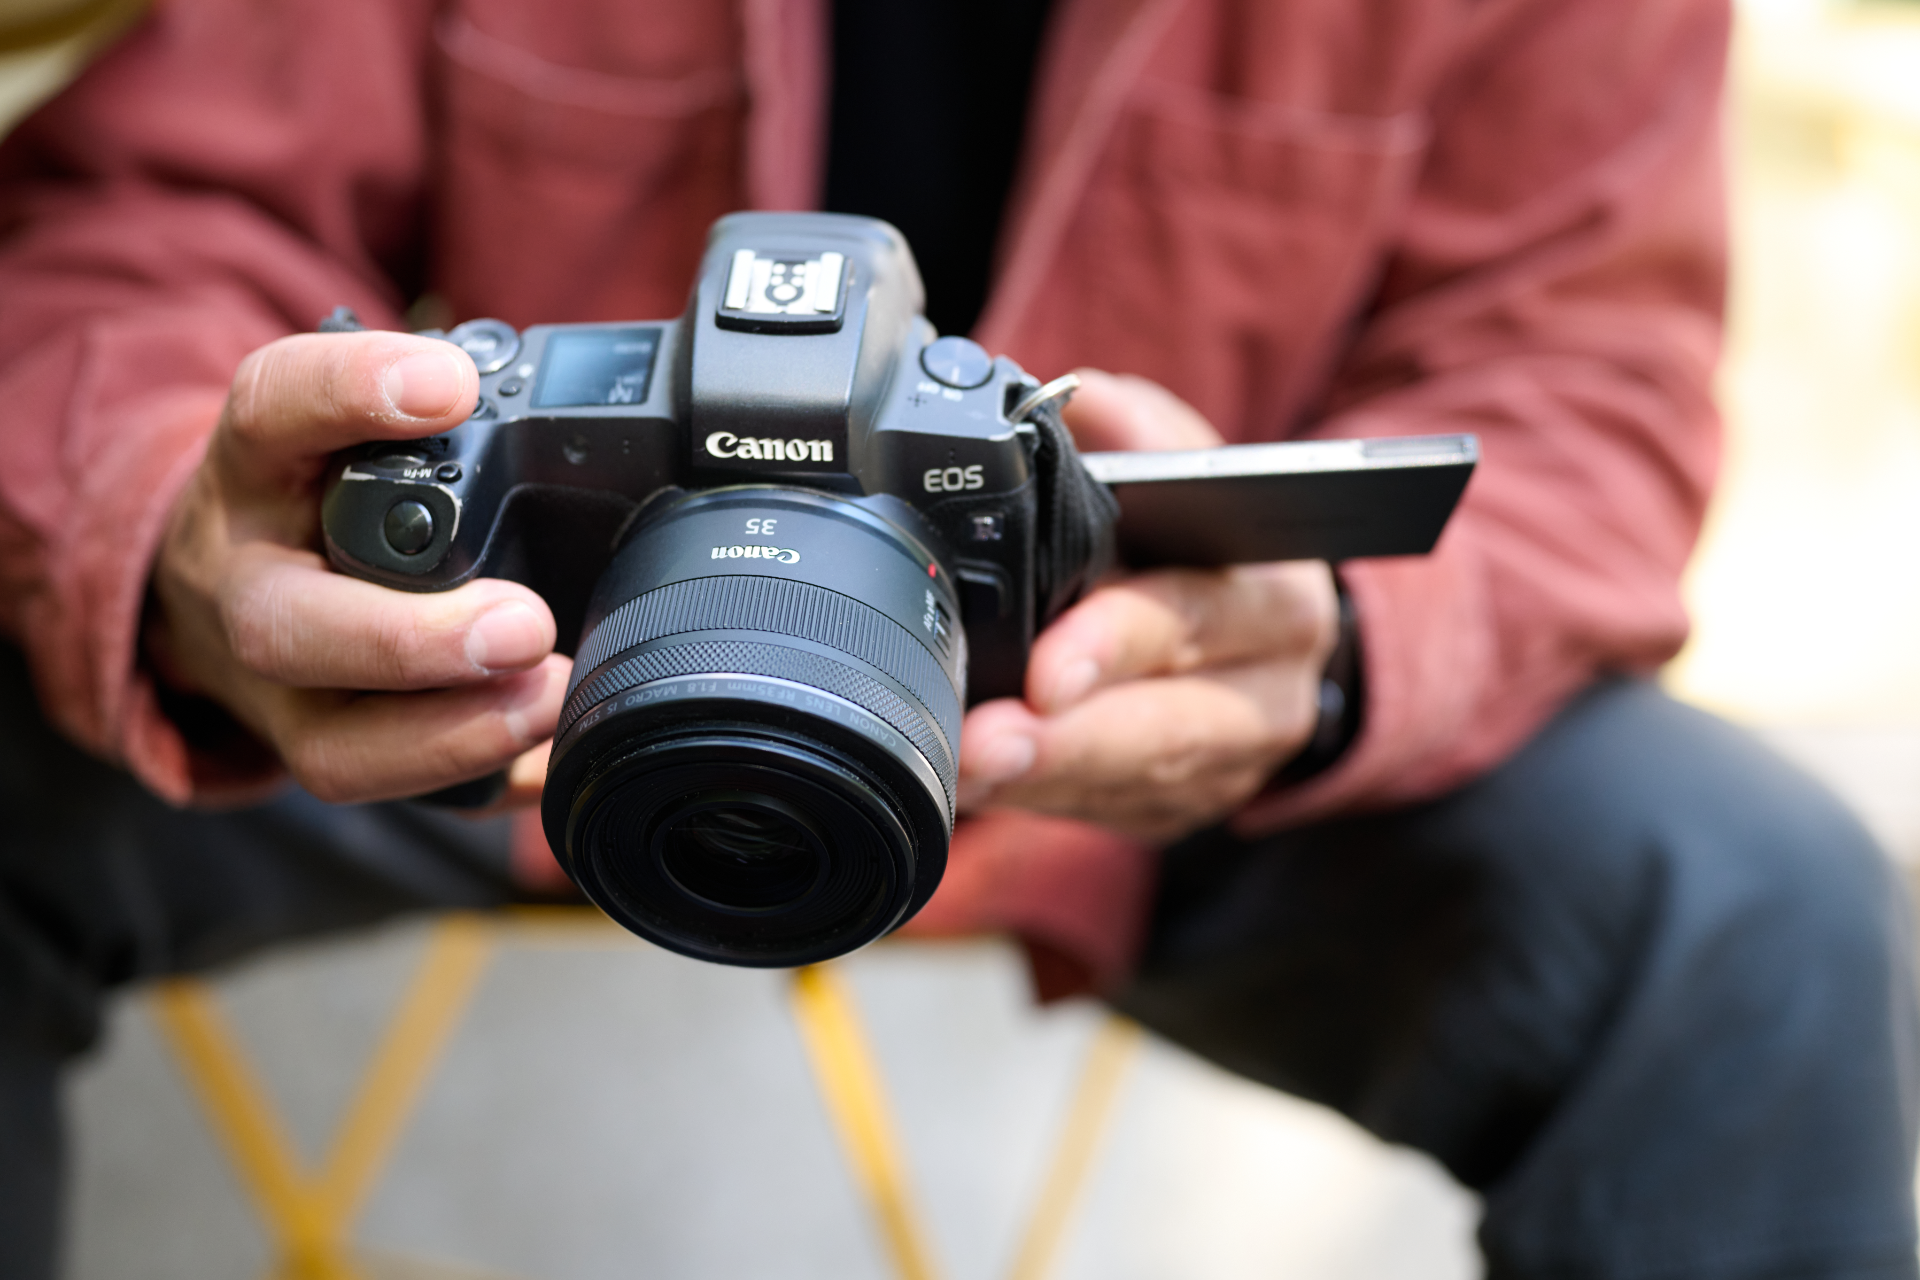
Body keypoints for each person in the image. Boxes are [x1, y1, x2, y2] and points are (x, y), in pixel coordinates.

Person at [1, 0, 1914, 1277]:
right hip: (513, 696)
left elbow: (1585, 393)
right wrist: (187, 535)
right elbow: (152, 223)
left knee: (1751, 910)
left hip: (1147, 714)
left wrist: (1324, 649)